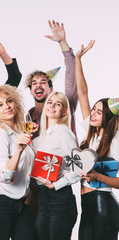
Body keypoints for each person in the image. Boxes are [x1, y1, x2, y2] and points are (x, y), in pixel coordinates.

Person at [75, 40, 119, 240]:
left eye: (98, 112)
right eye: (93, 109)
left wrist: (98, 177)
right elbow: (82, 92)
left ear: (108, 119)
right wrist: (78, 59)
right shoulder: (91, 133)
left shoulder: (116, 142)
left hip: (104, 204)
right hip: (87, 205)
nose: (92, 114)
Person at [0, 85, 35, 240]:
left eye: (9, 101)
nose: (7, 107)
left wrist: (28, 191)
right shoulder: (0, 134)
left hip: (20, 202)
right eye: (0, 105)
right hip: (0, 203)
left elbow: (27, 168)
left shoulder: (19, 133)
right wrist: (18, 150)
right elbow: (5, 175)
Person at [32, 92, 80, 240]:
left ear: (64, 111)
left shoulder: (63, 131)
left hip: (60, 199)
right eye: (50, 102)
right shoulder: (43, 136)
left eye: (57, 104)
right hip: (43, 198)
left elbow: (79, 167)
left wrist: (56, 184)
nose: (52, 105)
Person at [25, 20, 78, 138]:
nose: (38, 85)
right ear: (30, 90)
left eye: (43, 82)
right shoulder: (28, 117)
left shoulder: (65, 105)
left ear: (50, 89)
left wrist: (62, 42)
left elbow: (73, 76)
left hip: (69, 156)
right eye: (34, 83)